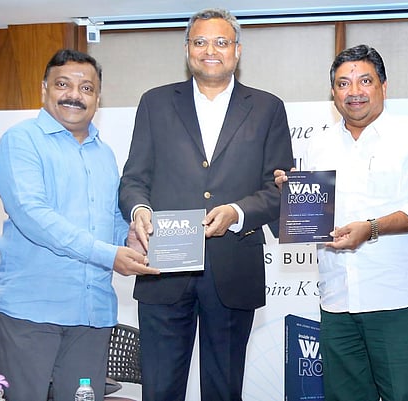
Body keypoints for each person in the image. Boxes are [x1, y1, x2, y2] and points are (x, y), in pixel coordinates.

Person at [118, 8, 294, 401]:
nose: (210, 50)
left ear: (237, 50)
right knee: (159, 390)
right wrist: (140, 210)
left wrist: (237, 212)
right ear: (187, 49)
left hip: (234, 267)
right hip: (163, 266)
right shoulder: (155, 103)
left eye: (220, 42)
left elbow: (278, 188)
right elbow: (133, 180)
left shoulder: (267, 108)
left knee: (224, 390)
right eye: (200, 42)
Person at [275, 44, 408, 401]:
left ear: (384, 86)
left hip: (398, 300)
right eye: (343, 84)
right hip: (337, 300)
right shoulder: (319, 144)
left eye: (365, 81)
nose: (354, 91)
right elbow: (316, 215)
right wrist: (293, 194)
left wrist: (371, 228)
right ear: (333, 92)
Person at [0, 49, 156, 401]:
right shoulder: (21, 141)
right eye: (63, 85)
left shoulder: (104, 154)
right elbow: (33, 216)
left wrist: (130, 238)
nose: (74, 96)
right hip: (31, 313)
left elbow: (110, 219)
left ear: (98, 97)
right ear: (44, 89)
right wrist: (109, 254)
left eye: (86, 88)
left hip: (91, 314)